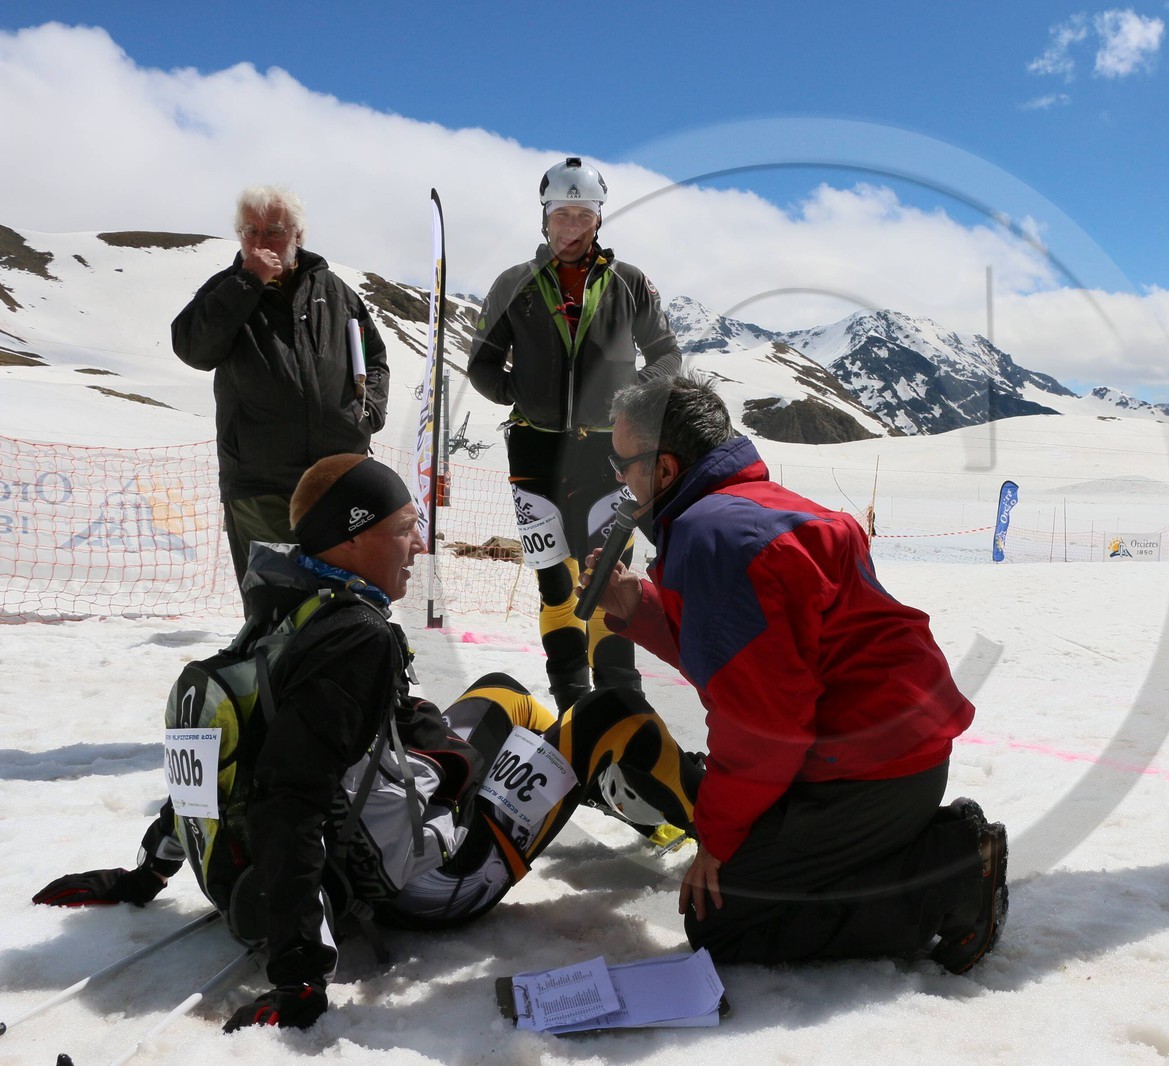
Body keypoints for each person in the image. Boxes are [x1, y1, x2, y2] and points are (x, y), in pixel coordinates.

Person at [33, 455, 699, 1032]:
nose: (418, 548)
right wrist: (300, 981)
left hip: (370, 840)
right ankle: (718, 822)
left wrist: (146, 874)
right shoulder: (358, 639)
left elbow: (226, 757)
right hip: (434, 879)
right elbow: (286, 800)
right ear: (354, 539)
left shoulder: (291, 606)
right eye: (405, 530)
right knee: (611, 714)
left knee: (501, 693)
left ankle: (594, 785)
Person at [583, 373, 1009, 974]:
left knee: (721, 924)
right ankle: (909, 848)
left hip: (869, 771)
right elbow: (749, 666)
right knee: (739, 859)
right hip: (891, 752)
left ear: (666, 469)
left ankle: (953, 874)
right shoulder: (743, 510)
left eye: (621, 463)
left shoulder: (714, 538)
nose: (620, 480)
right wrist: (640, 607)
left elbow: (763, 724)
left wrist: (719, 842)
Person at [467, 156, 682, 711]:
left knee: (610, 575)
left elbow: (666, 355)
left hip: (610, 456)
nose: (570, 227)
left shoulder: (629, 283)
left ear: (598, 221)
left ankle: (619, 706)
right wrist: (520, 394)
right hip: (534, 454)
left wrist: (636, 403)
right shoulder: (513, 284)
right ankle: (571, 706)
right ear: (544, 219)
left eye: (581, 216)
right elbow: (482, 366)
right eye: (561, 215)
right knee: (555, 587)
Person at [172, 185, 390, 594]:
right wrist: (248, 282)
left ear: (298, 235)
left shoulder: (336, 292)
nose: (259, 241)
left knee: (342, 596)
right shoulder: (227, 288)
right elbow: (193, 349)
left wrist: (368, 410)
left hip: (337, 478)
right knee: (277, 602)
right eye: (248, 231)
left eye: (272, 230)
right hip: (262, 485)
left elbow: (373, 357)